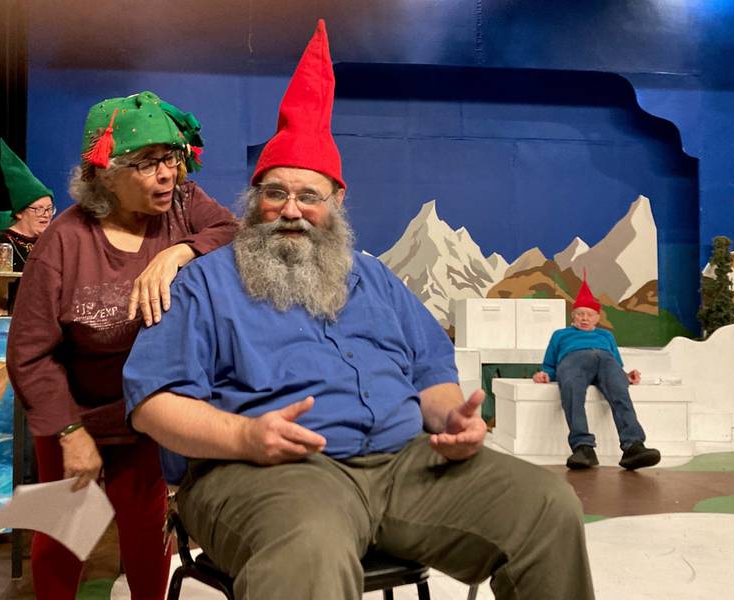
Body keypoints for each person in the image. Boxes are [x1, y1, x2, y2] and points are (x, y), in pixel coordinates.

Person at [123, 21, 595, 600]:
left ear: (337, 202)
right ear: (254, 200)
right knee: (308, 547)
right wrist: (246, 437)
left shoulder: (376, 280)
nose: (290, 211)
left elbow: (430, 376)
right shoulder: (203, 286)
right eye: (275, 193)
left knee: (546, 507)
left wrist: (453, 420)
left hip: (405, 467)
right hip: (266, 475)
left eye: (308, 196)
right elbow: (153, 404)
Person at [6, 91, 237, 600]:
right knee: (60, 542)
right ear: (105, 173)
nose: (167, 174)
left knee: (145, 536)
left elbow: (232, 232)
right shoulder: (64, 242)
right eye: (147, 162)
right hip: (74, 413)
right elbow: (29, 352)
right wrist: (70, 433)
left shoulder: (182, 207)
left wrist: (179, 251)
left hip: (143, 414)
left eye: (170, 158)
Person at [532, 275, 662, 471]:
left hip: (606, 361)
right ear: (573, 316)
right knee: (572, 394)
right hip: (573, 359)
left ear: (597, 318)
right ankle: (583, 447)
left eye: (589, 314)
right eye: (580, 314)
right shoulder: (561, 334)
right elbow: (550, 363)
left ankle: (633, 446)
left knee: (620, 393)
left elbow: (616, 362)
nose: (585, 318)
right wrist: (545, 374)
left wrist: (626, 376)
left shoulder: (606, 335)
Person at [0, 139, 56, 272]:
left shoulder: (52, 245)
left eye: (49, 209)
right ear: (19, 212)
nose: (46, 215)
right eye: (39, 209)